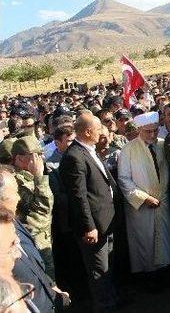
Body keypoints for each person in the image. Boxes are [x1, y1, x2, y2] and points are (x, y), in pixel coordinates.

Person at [59, 112, 119, 312]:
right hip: (94, 227)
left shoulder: (89, 150)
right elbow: (78, 196)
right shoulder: (74, 156)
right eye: (98, 128)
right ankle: (105, 306)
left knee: (107, 267)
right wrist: (89, 227)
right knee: (99, 271)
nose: (102, 132)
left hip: (105, 221)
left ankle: (111, 301)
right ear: (87, 132)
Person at [117, 112, 170, 284]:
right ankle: (150, 280)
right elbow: (124, 179)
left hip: (163, 201)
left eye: (155, 131)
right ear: (139, 129)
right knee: (146, 243)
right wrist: (143, 198)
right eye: (147, 131)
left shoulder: (163, 145)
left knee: (166, 241)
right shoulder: (128, 150)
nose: (152, 135)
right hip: (142, 206)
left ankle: (169, 276)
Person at [1, 167, 70, 312]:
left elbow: (32, 261)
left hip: (48, 301)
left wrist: (50, 285)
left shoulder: (13, 222)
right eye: (13, 192)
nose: (19, 197)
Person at [10, 136, 55, 278]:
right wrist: (39, 177)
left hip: (45, 239)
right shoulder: (15, 182)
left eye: (40, 154)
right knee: (46, 283)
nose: (40, 158)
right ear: (19, 159)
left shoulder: (30, 178)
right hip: (34, 243)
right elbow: (41, 211)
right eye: (35, 155)